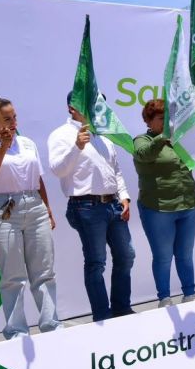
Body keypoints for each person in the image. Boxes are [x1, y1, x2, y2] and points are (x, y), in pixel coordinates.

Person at [48, 93, 135, 321]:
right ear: (71, 108)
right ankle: (102, 315)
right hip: (85, 206)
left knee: (126, 255)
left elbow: (115, 170)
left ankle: (121, 308)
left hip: (113, 205)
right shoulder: (61, 135)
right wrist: (77, 146)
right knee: (96, 262)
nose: (97, 108)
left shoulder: (103, 135)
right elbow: (57, 170)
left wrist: (124, 196)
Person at [0, 98, 61, 338]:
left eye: (14, 117)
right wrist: (3, 147)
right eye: (7, 119)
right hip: (2, 210)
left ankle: (51, 325)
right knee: (13, 275)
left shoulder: (27, 143)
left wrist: (47, 208)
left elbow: (39, 179)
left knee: (44, 270)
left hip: (33, 205)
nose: (13, 122)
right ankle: (16, 330)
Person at [132, 99, 195, 307]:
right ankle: (164, 298)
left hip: (187, 204)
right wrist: (162, 138)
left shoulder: (180, 139)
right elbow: (144, 155)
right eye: (162, 119)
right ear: (149, 121)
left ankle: (190, 294)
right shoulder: (141, 140)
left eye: (169, 119)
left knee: (185, 255)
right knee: (163, 256)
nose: (167, 123)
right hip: (158, 208)